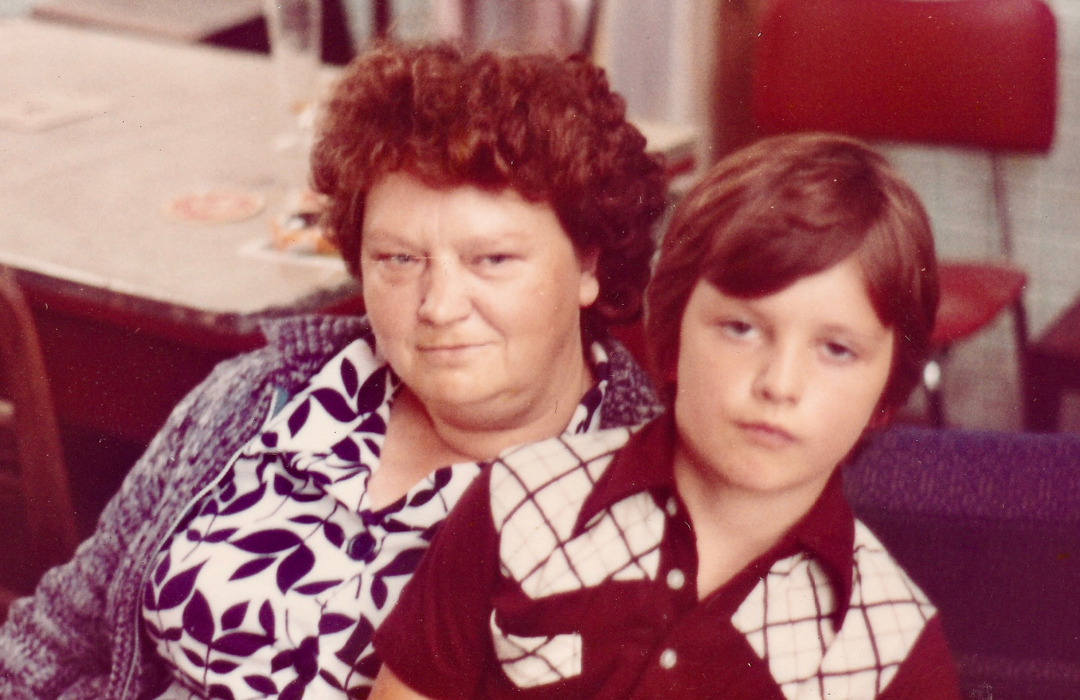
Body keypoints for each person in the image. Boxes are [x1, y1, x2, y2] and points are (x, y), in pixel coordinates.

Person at [0, 43, 666, 700]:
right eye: (398, 260)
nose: (436, 306)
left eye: (491, 260)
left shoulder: (634, 508)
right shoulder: (260, 397)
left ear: (588, 265)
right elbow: (55, 639)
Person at [368, 133, 963, 699]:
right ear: (673, 336)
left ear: (887, 389)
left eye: (837, 349)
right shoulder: (519, 501)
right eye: (740, 328)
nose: (780, 385)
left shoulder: (894, 651)